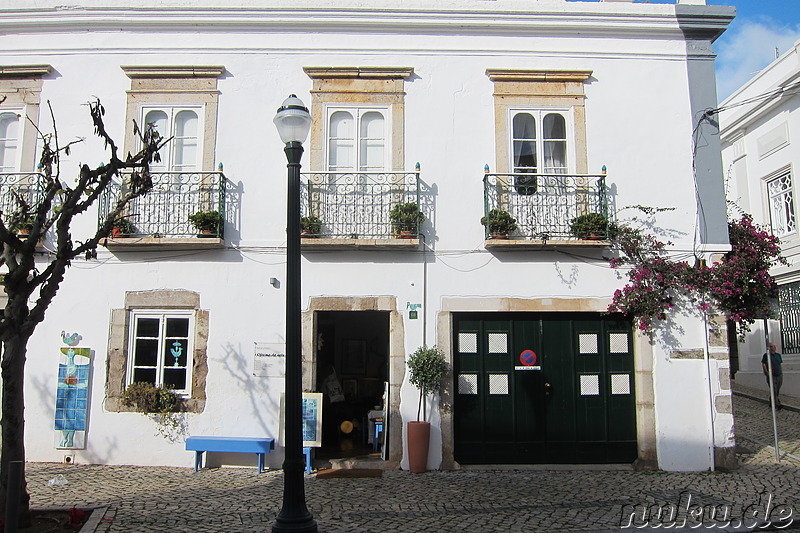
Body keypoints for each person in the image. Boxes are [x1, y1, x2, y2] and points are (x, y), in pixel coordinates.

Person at [762, 343, 784, 410]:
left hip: (779, 375)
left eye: (774, 346)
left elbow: (780, 364)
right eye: (772, 346)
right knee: (773, 390)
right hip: (772, 375)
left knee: (777, 390)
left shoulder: (778, 355)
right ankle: (777, 404)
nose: (773, 347)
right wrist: (766, 372)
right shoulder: (767, 355)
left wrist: (781, 372)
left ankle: (772, 401)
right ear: (769, 347)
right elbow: (763, 364)